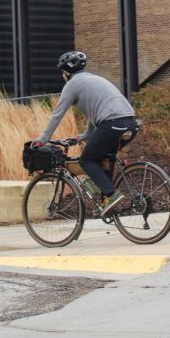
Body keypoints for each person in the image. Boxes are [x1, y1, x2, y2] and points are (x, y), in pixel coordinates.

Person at [34, 50, 139, 216]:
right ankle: (107, 199)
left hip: (111, 124)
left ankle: (111, 195)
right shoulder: (95, 79)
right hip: (131, 124)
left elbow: (57, 114)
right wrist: (85, 135)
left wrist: (43, 139)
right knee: (103, 158)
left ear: (66, 71)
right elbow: (94, 113)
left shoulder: (72, 85)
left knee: (86, 160)